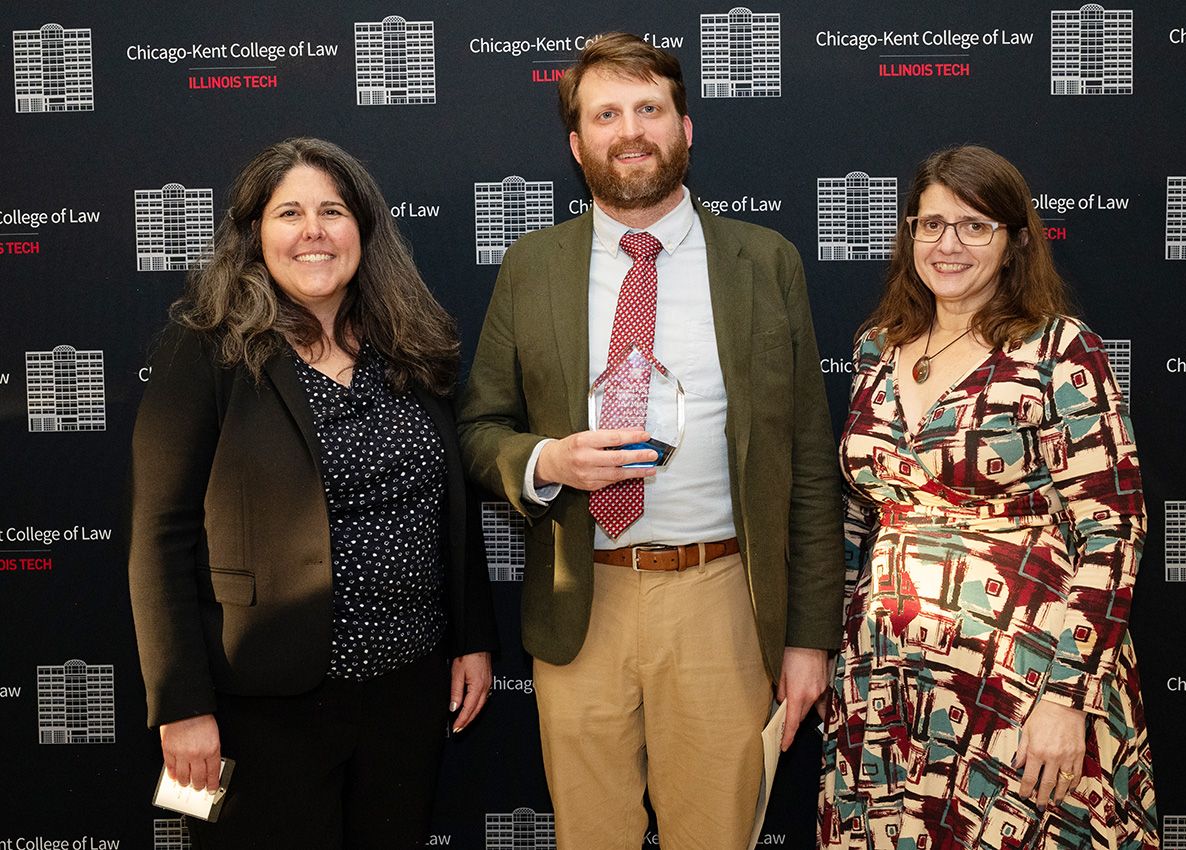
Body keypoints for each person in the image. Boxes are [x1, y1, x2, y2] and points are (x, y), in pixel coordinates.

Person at [457, 32, 842, 850]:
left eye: (648, 109)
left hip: (723, 600)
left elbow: (809, 459)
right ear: (576, 142)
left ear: (685, 127)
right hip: (580, 602)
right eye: (605, 114)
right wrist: (545, 462)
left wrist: (810, 635)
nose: (629, 130)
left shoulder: (765, 262)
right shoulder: (531, 268)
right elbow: (479, 428)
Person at [129, 137, 497, 849]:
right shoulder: (205, 349)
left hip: (407, 689)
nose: (313, 231)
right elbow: (158, 537)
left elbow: (448, 506)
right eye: (288, 213)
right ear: (253, 235)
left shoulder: (412, 342)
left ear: (364, 229)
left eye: (332, 211)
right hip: (263, 701)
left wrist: (473, 638)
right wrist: (181, 707)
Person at [820, 145, 1157, 849]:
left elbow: (1112, 531)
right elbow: (856, 519)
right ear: (909, 234)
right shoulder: (877, 348)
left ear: (1014, 242)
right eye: (932, 224)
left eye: (974, 226)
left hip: (1024, 685)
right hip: (886, 685)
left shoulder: (1059, 351)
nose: (949, 244)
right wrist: (830, 655)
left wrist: (1067, 699)